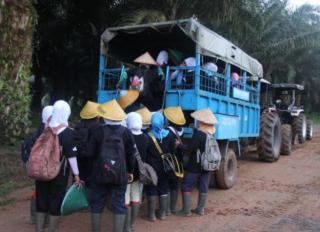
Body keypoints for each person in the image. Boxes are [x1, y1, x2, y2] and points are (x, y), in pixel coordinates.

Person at [88, 99, 136, 232]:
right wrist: (130, 172)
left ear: (106, 116)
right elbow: (131, 154)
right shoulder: (126, 132)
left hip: (99, 174)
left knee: (97, 204)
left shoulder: (98, 131)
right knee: (119, 204)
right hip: (120, 175)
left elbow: (90, 153)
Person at [35, 100, 81, 232]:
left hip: (41, 171)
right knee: (55, 201)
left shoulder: (43, 130)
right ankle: (52, 229)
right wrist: (76, 175)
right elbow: (72, 157)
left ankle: (39, 229)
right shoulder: (68, 133)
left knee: (41, 200)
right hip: (59, 173)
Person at [178, 108, 218, 217]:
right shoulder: (210, 134)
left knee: (186, 186)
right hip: (207, 165)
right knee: (203, 186)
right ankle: (200, 209)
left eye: (200, 120)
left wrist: (180, 145)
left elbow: (190, 148)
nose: (198, 122)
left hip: (196, 165)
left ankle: (186, 211)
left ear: (203, 122)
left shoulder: (199, 134)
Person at [144, 112, 176, 221]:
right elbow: (173, 152)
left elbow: (145, 153)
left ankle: (152, 215)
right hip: (165, 168)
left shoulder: (147, 135)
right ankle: (162, 213)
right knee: (164, 188)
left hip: (152, 168)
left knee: (151, 189)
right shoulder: (169, 135)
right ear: (162, 121)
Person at [25, 105, 53, 224]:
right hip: (43, 167)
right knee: (46, 191)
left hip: (35, 166)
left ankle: (35, 217)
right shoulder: (48, 131)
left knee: (39, 190)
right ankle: (42, 218)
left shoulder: (39, 130)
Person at [124, 112, 150, 232]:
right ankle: (132, 225)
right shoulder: (146, 138)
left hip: (127, 172)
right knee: (136, 197)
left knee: (126, 199)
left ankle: (126, 226)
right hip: (140, 172)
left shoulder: (126, 137)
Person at [163, 106, 186, 215]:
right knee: (175, 184)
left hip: (169, 162)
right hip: (179, 163)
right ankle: (173, 208)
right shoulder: (181, 131)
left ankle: (166, 210)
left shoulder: (167, 132)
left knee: (167, 184)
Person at [74, 101, 101, 188]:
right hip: (92, 160)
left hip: (78, 158)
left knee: (80, 182)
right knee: (91, 185)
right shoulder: (98, 127)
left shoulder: (78, 126)